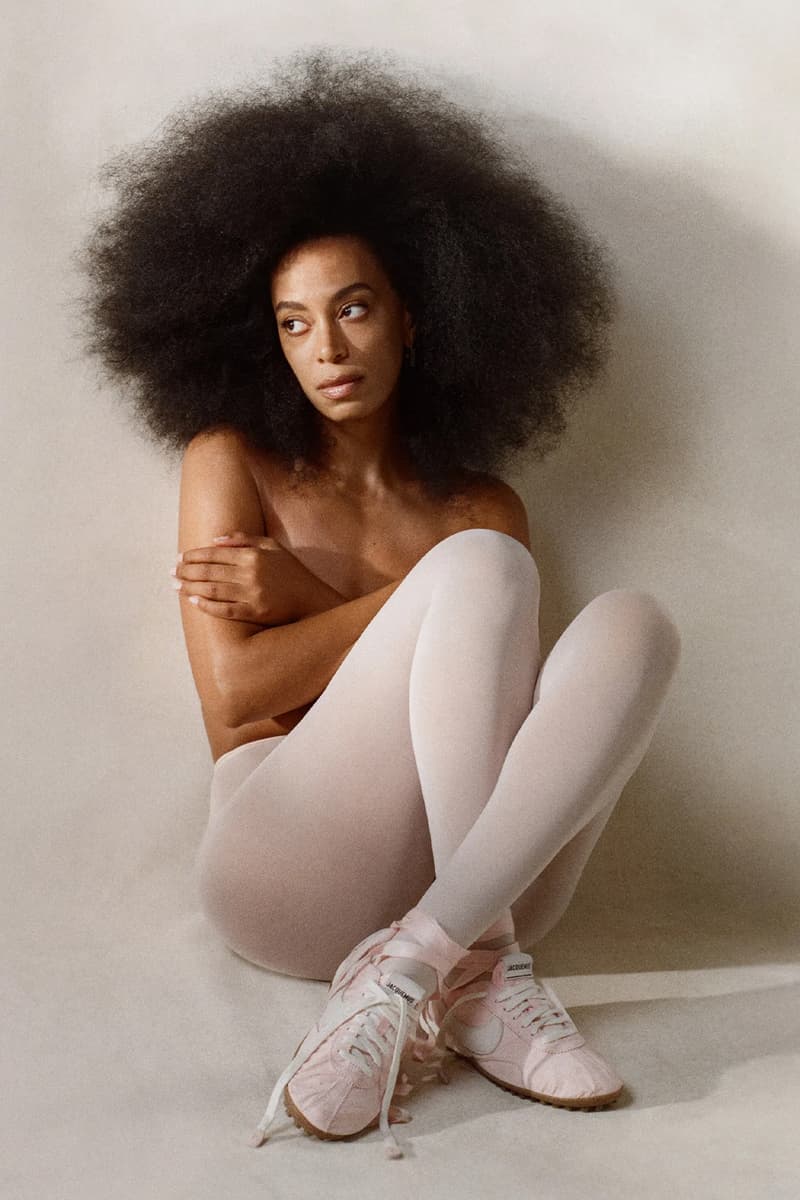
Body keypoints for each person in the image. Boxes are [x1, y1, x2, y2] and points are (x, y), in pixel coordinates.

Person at [77, 49, 682, 1159]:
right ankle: (478, 970)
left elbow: (478, 703)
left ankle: (437, 966)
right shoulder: (232, 461)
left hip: (474, 873)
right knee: (481, 569)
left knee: (637, 624)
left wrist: (306, 594)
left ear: (413, 316)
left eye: (353, 309)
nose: (327, 348)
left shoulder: (480, 503)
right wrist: (411, 593)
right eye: (293, 323)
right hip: (282, 869)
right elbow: (239, 698)